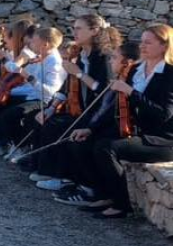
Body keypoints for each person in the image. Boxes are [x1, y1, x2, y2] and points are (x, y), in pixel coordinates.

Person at [67, 24, 173, 219]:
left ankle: (121, 204)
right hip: (136, 131)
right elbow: (116, 108)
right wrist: (90, 129)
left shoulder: (169, 75)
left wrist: (131, 92)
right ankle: (103, 194)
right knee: (83, 142)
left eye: (148, 43)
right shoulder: (135, 70)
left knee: (107, 148)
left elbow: (163, 114)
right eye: (142, 42)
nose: (142, 46)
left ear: (164, 46)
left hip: (161, 139)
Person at [50, 37, 137, 208]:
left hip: (124, 128)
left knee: (94, 144)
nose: (111, 60)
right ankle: (79, 184)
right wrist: (90, 128)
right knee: (76, 137)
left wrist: (91, 128)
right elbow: (106, 110)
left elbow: (108, 106)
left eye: (115, 58)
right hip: (103, 120)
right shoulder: (117, 77)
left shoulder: (108, 67)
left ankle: (97, 192)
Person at [29, 17, 115, 189]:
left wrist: (79, 74)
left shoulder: (103, 57)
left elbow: (104, 91)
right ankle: (47, 169)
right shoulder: (81, 54)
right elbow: (66, 87)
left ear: (95, 31)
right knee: (48, 120)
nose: (74, 32)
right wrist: (51, 108)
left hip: (97, 112)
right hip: (80, 108)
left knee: (64, 128)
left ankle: (64, 177)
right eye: (74, 28)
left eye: (79, 28)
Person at [0, 26, 64, 156]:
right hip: (30, 95)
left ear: (45, 44)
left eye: (34, 41)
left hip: (42, 100)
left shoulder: (54, 62)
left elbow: (50, 92)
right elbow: (13, 69)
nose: (30, 44)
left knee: (9, 114)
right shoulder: (39, 56)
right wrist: (9, 58)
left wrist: (29, 77)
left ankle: (19, 145)